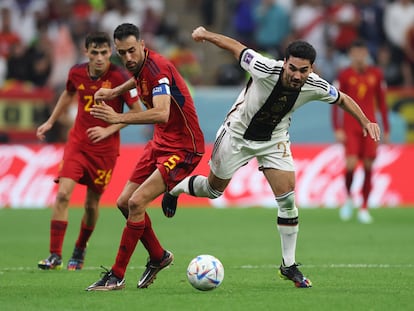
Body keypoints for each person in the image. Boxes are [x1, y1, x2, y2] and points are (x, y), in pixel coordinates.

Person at [162, 26, 381, 288]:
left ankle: (288, 266)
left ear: (311, 69)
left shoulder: (315, 84)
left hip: (274, 140)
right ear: (285, 63)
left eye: (304, 70)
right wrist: (206, 34)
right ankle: (175, 188)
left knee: (288, 200)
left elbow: (343, 99)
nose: (297, 75)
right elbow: (235, 47)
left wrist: (366, 121)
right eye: (293, 68)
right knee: (212, 190)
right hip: (237, 136)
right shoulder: (264, 67)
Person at [86, 23, 205, 291]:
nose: (127, 58)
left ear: (142, 45)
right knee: (124, 203)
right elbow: (138, 79)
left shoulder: (158, 69)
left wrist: (118, 117)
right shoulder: (141, 67)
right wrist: (116, 92)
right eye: (121, 53)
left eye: (131, 50)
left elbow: (162, 113)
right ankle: (158, 256)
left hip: (183, 147)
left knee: (137, 202)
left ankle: (116, 275)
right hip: (160, 142)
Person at [37, 32, 141, 271]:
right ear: (86, 53)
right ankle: (54, 255)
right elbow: (68, 93)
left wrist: (109, 130)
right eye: (94, 53)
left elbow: (136, 112)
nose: (99, 58)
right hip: (78, 143)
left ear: (110, 53)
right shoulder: (76, 72)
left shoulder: (120, 77)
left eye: (104, 53)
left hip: (104, 151)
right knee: (63, 195)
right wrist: (52, 121)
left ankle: (80, 248)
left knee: (91, 206)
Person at [332, 40, 389, 224]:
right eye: (355, 53)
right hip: (350, 126)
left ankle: (364, 206)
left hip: (370, 125)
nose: (359, 56)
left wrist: (386, 128)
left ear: (366, 53)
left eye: (362, 52)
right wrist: (337, 127)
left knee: (368, 166)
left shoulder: (376, 74)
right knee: (350, 164)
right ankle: (348, 199)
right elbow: (335, 102)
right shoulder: (345, 75)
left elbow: (382, 102)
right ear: (350, 54)